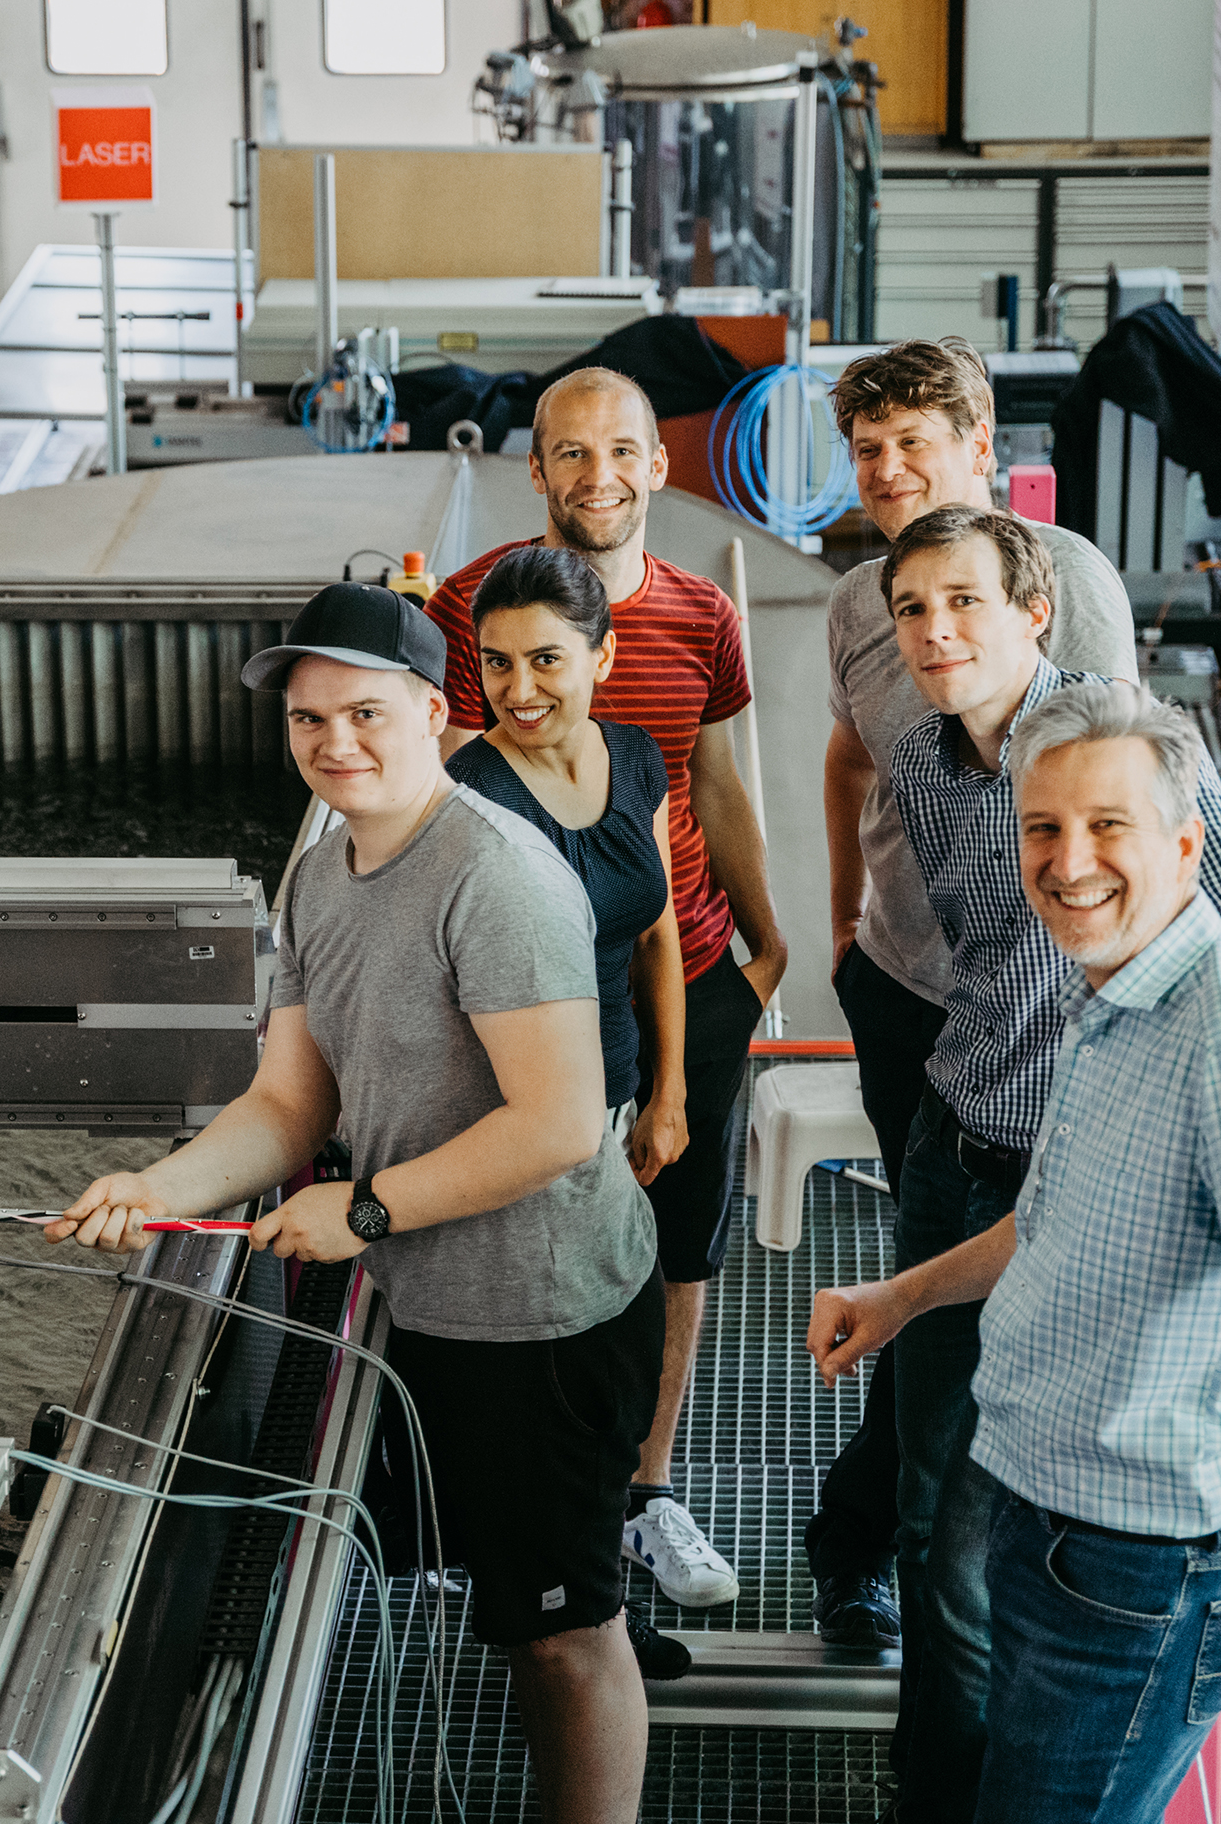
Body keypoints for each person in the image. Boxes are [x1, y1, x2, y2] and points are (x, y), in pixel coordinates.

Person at [50, 580, 660, 1823]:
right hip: (427, 1302)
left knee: (565, 1632)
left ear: (437, 713)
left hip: (538, 1317)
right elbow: (288, 1102)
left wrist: (365, 1213)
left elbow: (552, 1122)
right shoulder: (322, 873)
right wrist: (156, 1188)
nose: (335, 743)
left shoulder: (497, 877)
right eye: (309, 720)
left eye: (366, 713)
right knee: (513, 1602)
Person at [810, 681, 1221, 1822]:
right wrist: (900, 1298)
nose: (1070, 863)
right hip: (1036, 1504)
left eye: (1108, 826)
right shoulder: (1110, 983)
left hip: (1134, 1569)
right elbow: (1057, 1217)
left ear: (1183, 840)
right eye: (1042, 828)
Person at [877, 504, 1221, 1817]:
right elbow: (972, 968)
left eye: (965, 600)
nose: (937, 629)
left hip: (1076, 1204)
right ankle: (942, 1783)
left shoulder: (1116, 756)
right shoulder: (926, 763)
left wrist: (1139, 1085)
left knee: (980, 1536)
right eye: (911, 608)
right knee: (938, 1510)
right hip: (971, 1154)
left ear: (1033, 611)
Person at [425, 366, 787, 1612]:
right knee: (525, 1232)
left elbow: (719, 786)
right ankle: (522, 1503)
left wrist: (767, 941)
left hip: (681, 964)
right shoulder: (474, 614)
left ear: (659, 466)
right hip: (527, 999)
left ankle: (644, 1489)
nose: (598, 476)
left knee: (678, 1242)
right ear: (533, 473)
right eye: (569, 454)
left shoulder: (699, 617)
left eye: (621, 450)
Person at [807, 338, 1140, 1648]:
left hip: (1042, 1019)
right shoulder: (855, 604)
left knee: (997, 1284)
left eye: (915, 444)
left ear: (979, 445)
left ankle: (949, 1553)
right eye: (869, 450)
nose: (889, 471)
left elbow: (1117, 806)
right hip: (905, 993)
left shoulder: (1072, 595)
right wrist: (844, 915)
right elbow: (847, 757)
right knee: (927, 1277)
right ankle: (880, 1548)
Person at [447, 542, 693, 1679]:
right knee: (559, 1379)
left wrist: (669, 1091)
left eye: (545, 657)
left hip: (616, 1117)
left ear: (603, 652)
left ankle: (587, 1591)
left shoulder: (631, 758)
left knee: (613, 1361)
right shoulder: (466, 794)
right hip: (521, 1128)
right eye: (496, 663)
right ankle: (572, 1614)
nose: (519, 687)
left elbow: (654, 931)